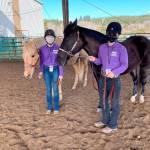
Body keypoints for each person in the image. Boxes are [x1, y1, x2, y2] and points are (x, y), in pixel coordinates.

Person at [88, 22, 128, 134]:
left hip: (115, 80)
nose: (111, 35)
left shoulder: (122, 49)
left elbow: (124, 65)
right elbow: (100, 61)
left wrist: (114, 72)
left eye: (114, 33)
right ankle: (105, 121)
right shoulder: (102, 47)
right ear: (106, 33)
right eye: (109, 32)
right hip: (103, 78)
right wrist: (94, 60)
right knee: (103, 100)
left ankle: (113, 125)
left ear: (118, 35)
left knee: (114, 102)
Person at [38, 29, 63, 115]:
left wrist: (61, 74)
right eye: (48, 37)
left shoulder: (58, 48)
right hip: (46, 70)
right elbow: (41, 61)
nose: (50, 38)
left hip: (55, 69)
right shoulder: (41, 49)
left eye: (51, 37)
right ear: (45, 38)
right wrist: (41, 71)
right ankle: (49, 107)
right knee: (48, 89)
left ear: (54, 38)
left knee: (55, 89)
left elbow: (60, 62)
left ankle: (56, 108)